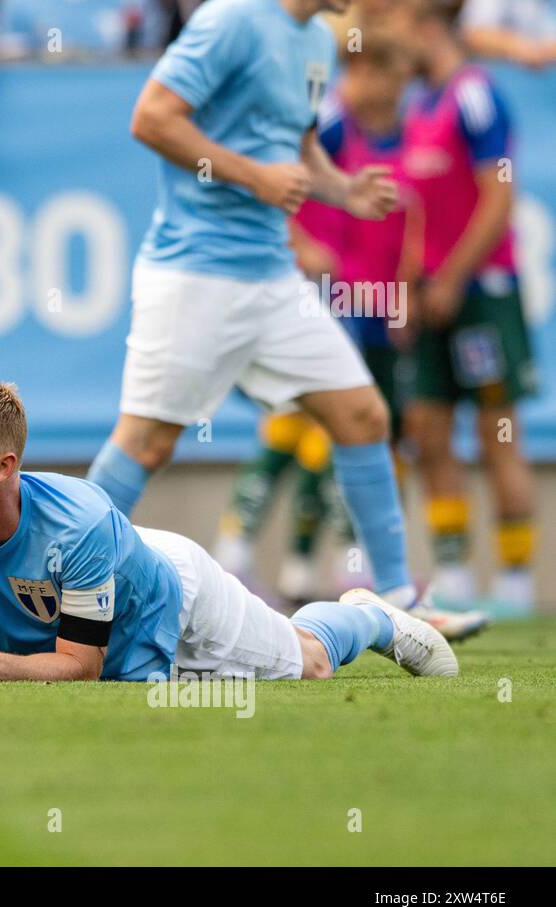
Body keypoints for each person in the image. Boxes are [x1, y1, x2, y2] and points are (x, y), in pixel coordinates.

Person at [81, 0, 486, 640]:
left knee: (364, 417)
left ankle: (398, 598)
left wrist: (344, 189)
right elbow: (152, 118)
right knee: (146, 442)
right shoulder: (230, 20)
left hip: (271, 278)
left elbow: (298, 152)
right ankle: (58, 590)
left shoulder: (318, 41)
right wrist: (253, 178)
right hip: (195, 273)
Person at [0, 377, 458, 684]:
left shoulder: (78, 522)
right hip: (113, 600)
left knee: (309, 663)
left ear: (4, 467)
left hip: (177, 597)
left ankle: (370, 615)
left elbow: (80, 667)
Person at [214, 29, 419, 605]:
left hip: (347, 299)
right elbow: (267, 184)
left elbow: (399, 214)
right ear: (364, 72)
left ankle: (298, 562)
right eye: (389, 83)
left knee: (326, 425)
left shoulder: (381, 132)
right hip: (293, 289)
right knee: (295, 419)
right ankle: (238, 551)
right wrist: (299, 242)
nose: (394, 97)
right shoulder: (327, 121)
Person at [401, 0, 539, 617]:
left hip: (482, 293)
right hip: (432, 295)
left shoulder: (475, 95)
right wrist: (410, 284)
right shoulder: (418, 104)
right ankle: (452, 572)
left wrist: (454, 276)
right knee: (428, 431)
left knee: (497, 432)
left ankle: (514, 580)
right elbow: (414, 212)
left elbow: (498, 199)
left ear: (426, 25)